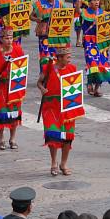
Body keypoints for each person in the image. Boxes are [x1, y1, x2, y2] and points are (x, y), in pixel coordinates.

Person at [37, 47, 78, 176]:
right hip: (51, 107)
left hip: (67, 107)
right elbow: (39, 82)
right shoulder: (49, 68)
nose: (69, 59)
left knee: (67, 137)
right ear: (59, 58)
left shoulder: (72, 69)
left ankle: (63, 163)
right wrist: (42, 89)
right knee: (53, 134)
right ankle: (54, 163)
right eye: (68, 57)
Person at [0, 28, 25, 150]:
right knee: (1, 113)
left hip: (14, 87)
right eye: (6, 38)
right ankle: (1, 138)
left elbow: (22, 67)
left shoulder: (18, 50)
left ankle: (12, 138)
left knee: (14, 112)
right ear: (1, 39)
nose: (9, 40)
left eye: (10, 38)